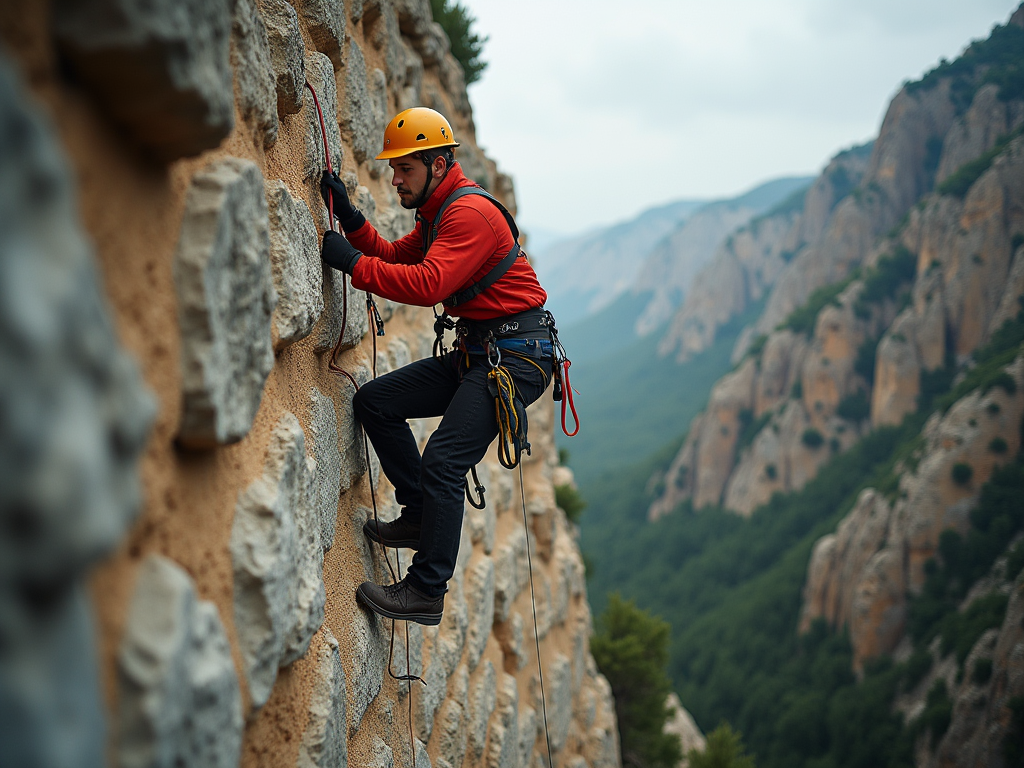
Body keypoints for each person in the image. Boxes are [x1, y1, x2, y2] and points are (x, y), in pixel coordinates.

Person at [319, 107, 553, 626]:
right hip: (486, 353)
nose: (395, 177)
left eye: (406, 167)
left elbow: (427, 284)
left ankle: (426, 592)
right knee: (376, 402)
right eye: (395, 167)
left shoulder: (467, 216)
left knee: (444, 460)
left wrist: (352, 266)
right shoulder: (438, 215)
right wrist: (353, 222)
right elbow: (396, 257)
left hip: (514, 359)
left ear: (441, 163)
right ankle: (420, 516)